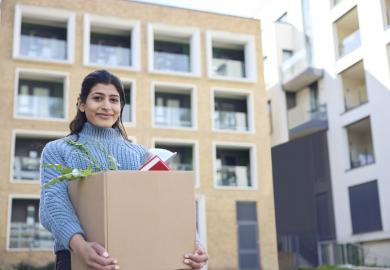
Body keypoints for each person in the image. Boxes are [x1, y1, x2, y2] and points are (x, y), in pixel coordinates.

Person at [39, 70, 208, 270]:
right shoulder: (58, 149)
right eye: (97, 98)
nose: (106, 106)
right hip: (77, 256)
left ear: (121, 107)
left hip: (136, 256)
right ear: (82, 103)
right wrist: (80, 246)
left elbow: (167, 205)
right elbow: (53, 203)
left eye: (114, 100)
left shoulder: (141, 155)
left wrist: (193, 243)